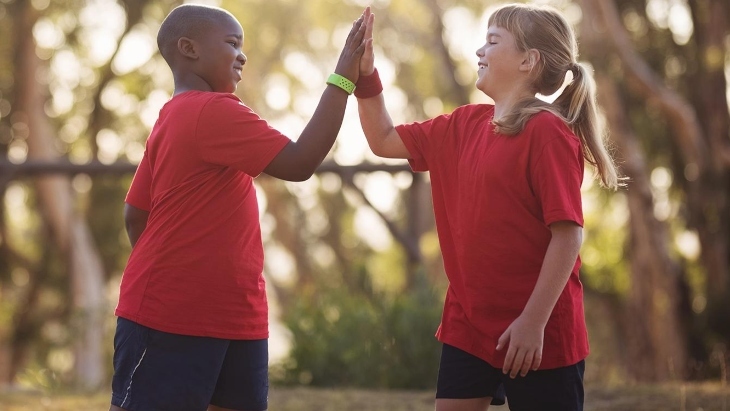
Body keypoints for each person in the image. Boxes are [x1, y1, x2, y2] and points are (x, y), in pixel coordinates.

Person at [354, 4, 623, 411]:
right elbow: (383, 138)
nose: (480, 50)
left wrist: (533, 324)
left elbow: (567, 236)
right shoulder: (460, 125)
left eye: (493, 41)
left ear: (528, 61)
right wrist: (364, 75)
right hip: (470, 325)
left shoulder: (548, 133)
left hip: (540, 332)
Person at [110, 4, 369, 411]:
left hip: (233, 316)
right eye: (232, 43)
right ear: (189, 49)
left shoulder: (170, 116)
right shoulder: (211, 110)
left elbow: (134, 215)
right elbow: (300, 163)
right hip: (174, 321)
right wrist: (342, 79)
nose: (242, 55)